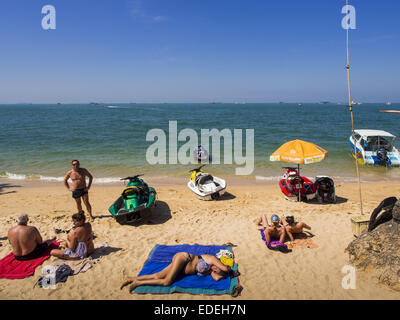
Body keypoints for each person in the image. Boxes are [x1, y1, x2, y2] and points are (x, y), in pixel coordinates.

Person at [120, 252, 238, 292]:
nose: (216, 269)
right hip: (184, 258)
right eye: (217, 267)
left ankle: (131, 279)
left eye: (217, 270)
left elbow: (217, 278)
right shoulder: (211, 259)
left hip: (181, 266)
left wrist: (223, 274)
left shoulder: (211, 271)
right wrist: (229, 270)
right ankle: (138, 284)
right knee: (167, 282)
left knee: (156, 276)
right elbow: (224, 268)